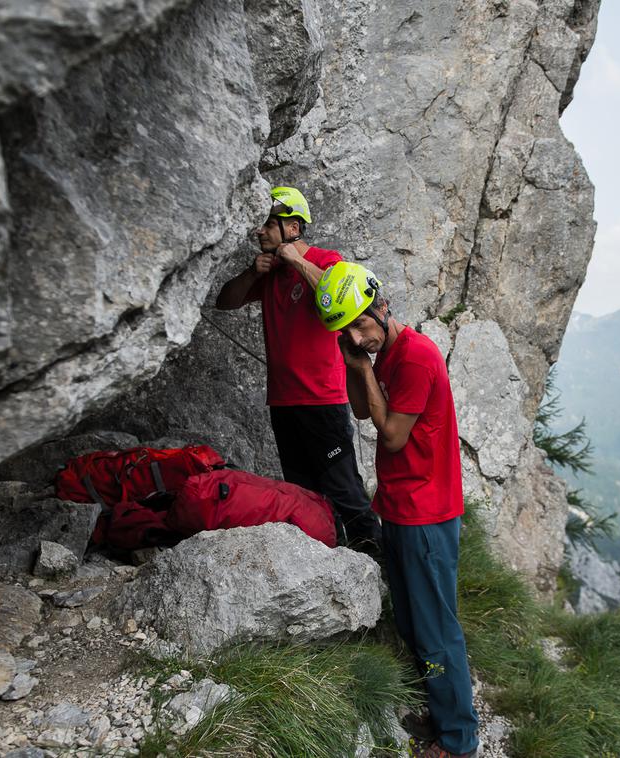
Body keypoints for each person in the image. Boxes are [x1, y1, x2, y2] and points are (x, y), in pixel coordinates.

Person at [315, 261, 479, 758]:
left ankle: (459, 740)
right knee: (413, 622)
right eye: (347, 330)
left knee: (436, 630)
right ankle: (442, 709)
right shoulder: (382, 350)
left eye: (362, 324)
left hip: (426, 514)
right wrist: (356, 362)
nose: (358, 336)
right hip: (403, 506)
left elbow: (391, 433)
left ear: (382, 307)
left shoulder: (414, 358)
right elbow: (364, 410)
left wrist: (361, 365)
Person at [215, 187, 380, 551]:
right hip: (285, 402)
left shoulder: (326, 259)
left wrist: (297, 261)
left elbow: (338, 296)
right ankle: (329, 559)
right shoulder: (268, 272)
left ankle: (376, 559)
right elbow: (224, 302)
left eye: (269, 224)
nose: (259, 231)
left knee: (343, 488)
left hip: (322, 399)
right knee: (303, 493)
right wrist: (250, 273)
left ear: (293, 228)